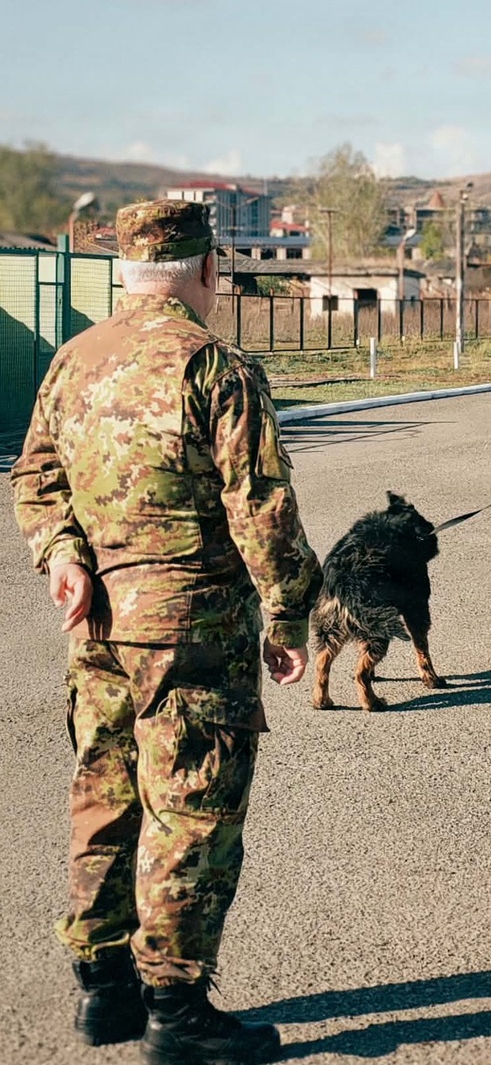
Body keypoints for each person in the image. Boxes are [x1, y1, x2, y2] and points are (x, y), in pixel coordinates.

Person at [12, 200, 321, 1065]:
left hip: (97, 629)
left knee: (103, 796)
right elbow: (260, 507)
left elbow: (34, 478)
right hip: (192, 633)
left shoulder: (73, 361)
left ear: (124, 271)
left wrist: (62, 556)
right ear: (207, 270)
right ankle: (176, 1010)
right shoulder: (213, 365)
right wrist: (290, 611)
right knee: (191, 811)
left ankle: (102, 992)